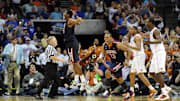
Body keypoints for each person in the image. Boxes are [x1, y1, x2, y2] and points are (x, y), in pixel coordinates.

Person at [124, 27, 157, 98]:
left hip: (139, 56)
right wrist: (128, 59)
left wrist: (128, 45)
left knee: (140, 74)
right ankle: (131, 91)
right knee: (132, 73)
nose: (130, 30)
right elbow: (131, 50)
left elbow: (138, 48)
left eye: (132, 29)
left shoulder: (137, 37)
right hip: (135, 56)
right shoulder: (133, 37)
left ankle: (152, 89)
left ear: (135, 30)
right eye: (129, 29)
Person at [145, 18, 172, 101]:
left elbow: (160, 40)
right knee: (151, 73)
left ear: (151, 23)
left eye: (147, 22)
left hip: (159, 53)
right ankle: (166, 88)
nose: (145, 23)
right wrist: (145, 38)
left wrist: (147, 42)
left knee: (159, 73)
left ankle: (164, 93)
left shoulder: (156, 31)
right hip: (155, 54)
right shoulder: (151, 32)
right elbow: (151, 41)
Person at [98, 31, 130, 98]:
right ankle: (129, 92)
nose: (105, 38)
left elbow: (128, 50)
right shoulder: (105, 45)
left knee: (108, 71)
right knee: (119, 79)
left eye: (107, 37)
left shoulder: (117, 44)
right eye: (104, 37)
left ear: (111, 38)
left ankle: (107, 91)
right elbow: (102, 54)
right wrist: (101, 58)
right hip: (113, 63)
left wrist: (127, 60)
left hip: (120, 62)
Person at [63, 10, 86, 91]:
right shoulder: (67, 21)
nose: (63, 13)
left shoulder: (70, 20)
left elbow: (79, 20)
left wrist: (76, 16)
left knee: (75, 62)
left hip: (71, 43)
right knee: (74, 62)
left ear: (68, 14)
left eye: (65, 13)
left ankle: (83, 80)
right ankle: (76, 80)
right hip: (70, 43)